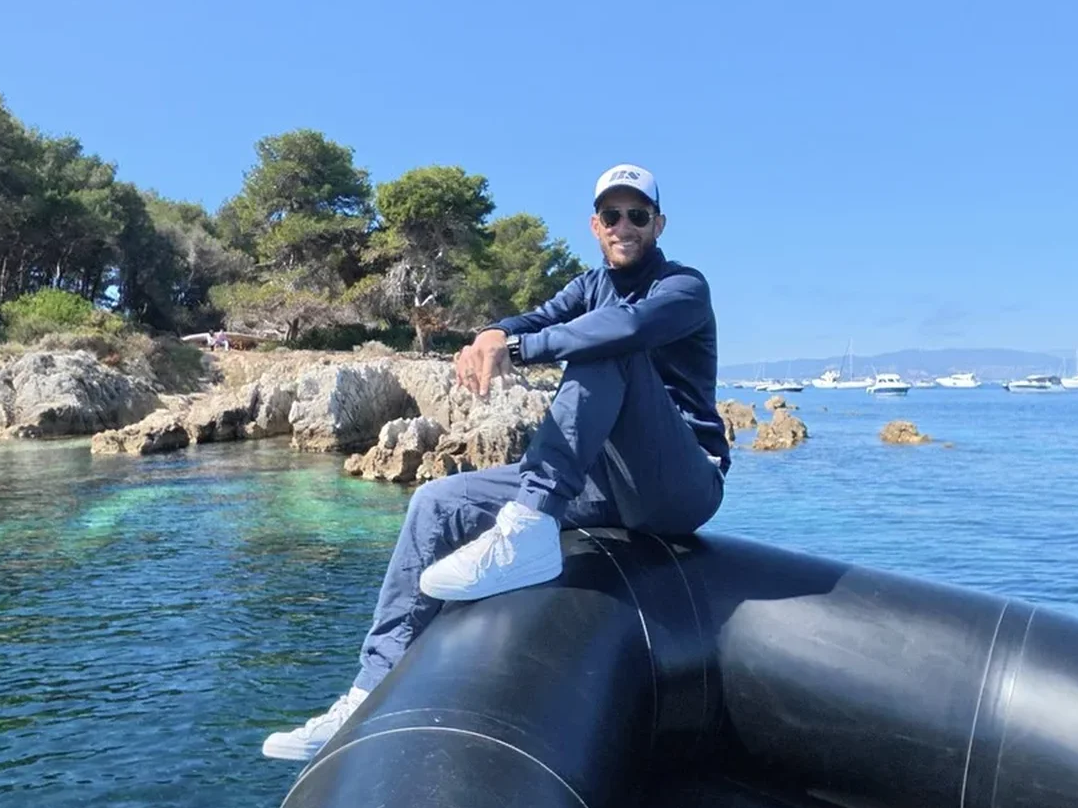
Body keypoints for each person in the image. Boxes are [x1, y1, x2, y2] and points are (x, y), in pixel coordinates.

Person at [261, 163, 729, 761]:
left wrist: (519, 348)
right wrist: (491, 333)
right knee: (436, 504)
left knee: (605, 346)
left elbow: (625, 328)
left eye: (638, 215)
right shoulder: (588, 287)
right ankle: (365, 693)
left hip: (683, 486)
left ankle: (529, 525)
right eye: (612, 215)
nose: (624, 225)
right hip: (607, 482)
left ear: (658, 224)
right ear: (595, 225)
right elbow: (532, 318)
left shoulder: (684, 287)